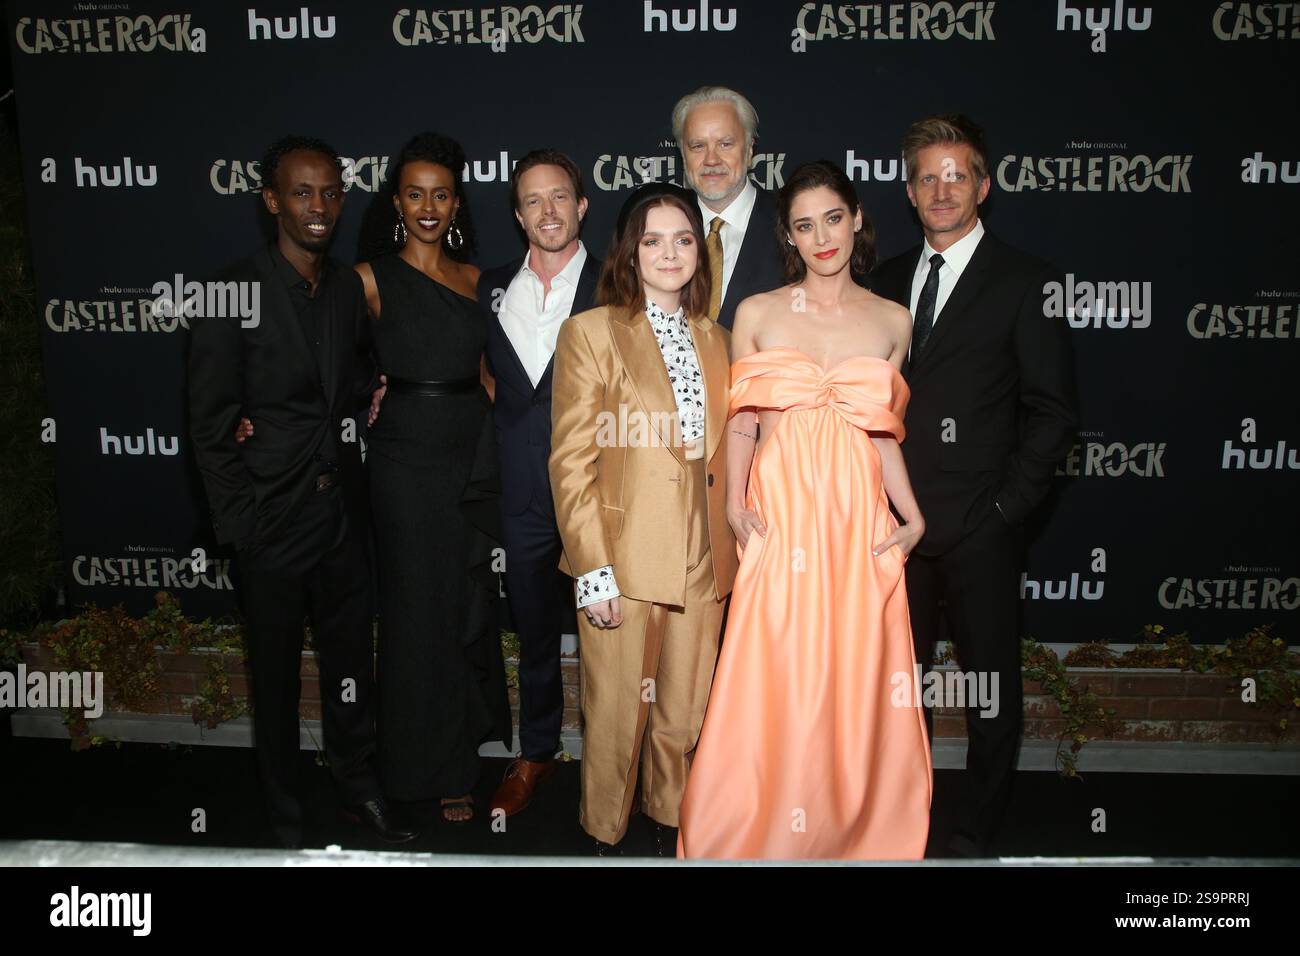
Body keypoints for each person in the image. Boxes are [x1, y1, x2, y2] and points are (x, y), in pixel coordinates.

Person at [677, 161, 931, 860]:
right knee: (774, 675)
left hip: (858, 527)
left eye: (832, 218)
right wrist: (734, 504)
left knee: (854, 679)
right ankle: (754, 832)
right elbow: (743, 424)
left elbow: (881, 431)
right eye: (803, 225)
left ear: (856, 219)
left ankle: (850, 835)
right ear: (788, 237)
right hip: (780, 521)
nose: (822, 237)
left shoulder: (892, 320)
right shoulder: (757, 312)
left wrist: (911, 518)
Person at [188, 135, 413, 848]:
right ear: (272, 201)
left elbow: (344, 382)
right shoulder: (231, 293)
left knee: (351, 667)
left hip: (343, 516)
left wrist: (368, 396)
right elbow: (210, 424)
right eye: (302, 193)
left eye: (329, 193)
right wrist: (242, 528)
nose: (318, 207)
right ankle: (282, 811)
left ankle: (357, 786)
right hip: (271, 524)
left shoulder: (346, 286)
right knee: (277, 681)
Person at [871, 114, 1078, 857]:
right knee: (901, 689)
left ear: (984, 186)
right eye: (927, 175)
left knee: (990, 691)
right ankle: (907, 819)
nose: (942, 188)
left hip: (981, 529)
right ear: (908, 190)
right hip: (897, 527)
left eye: (957, 174)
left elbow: (1052, 413)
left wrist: (1004, 511)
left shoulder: (1027, 282)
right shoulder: (886, 279)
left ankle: (977, 829)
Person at [549, 183, 737, 853]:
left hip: (702, 553)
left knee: (684, 712)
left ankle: (669, 825)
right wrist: (592, 568)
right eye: (653, 240)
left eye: (683, 239)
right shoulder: (590, 332)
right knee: (617, 713)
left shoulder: (720, 338)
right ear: (630, 251)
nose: (669, 252)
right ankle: (602, 835)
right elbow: (571, 462)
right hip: (622, 555)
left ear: (700, 251)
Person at [357, 132, 510, 824]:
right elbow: (336, 366)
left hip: (466, 457)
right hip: (402, 462)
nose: (428, 206)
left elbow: (490, 378)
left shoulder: (478, 282)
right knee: (412, 613)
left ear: (456, 203)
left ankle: (455, 767)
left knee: (459, 611)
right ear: (397, 201)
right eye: (415, 193)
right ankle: (405, 765)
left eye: (441, 194)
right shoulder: (368, 279)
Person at [477, 150, 602, 819]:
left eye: (560, 197)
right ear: (519, 215)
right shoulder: (490, 286)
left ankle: (613, 763)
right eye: (533, 200)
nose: (548, 211)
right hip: (522, 495)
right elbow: (485, 375)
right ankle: (536, 753)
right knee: (533, 635)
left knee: (610, 637)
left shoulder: (617, 283)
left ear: (582, 207)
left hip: (599, 495)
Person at [672, 86, 783, 329]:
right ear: (682, 153)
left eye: (725, 144)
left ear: (750, 149)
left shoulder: (790, 224)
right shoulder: (658, 227)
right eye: (698, 146)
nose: (711, 160)